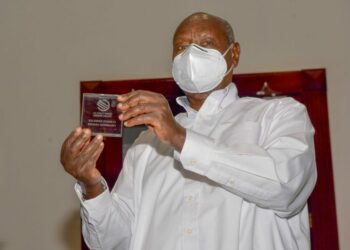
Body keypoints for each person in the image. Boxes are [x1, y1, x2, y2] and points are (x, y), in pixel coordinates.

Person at [60, 12, 317, 250]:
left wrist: (180, 138)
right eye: (182, 47)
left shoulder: (279, 115)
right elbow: (114, 242)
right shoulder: (146, 143)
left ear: (234, 53)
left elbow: (285, 188)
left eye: (206, 43)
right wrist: (91, 184)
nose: (192, 55)